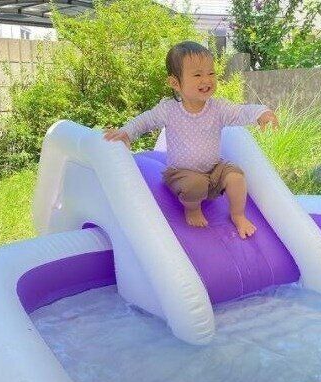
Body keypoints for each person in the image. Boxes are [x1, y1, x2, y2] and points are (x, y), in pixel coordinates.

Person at [104, 41, 279, 239]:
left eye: (211, 73)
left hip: (214, 169)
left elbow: (240, 112)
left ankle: (238, 215)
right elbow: (145, 121)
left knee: (236, 177)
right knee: (195, 185)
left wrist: (261, 113)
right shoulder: (169, 110)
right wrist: (126, 132)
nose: (206, 80)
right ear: (175, 83)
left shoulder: (218, 108)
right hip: (182, 174)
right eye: (197, 75)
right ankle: (192, 209)